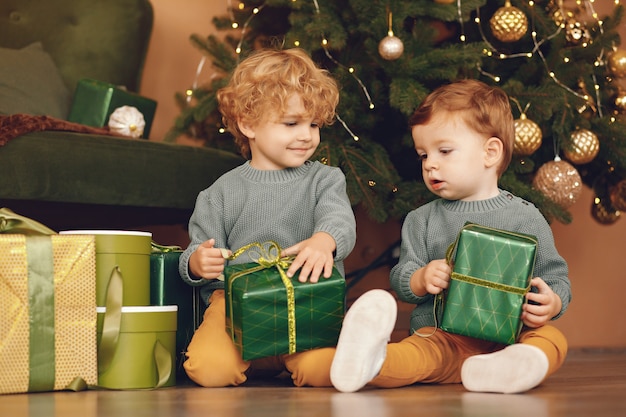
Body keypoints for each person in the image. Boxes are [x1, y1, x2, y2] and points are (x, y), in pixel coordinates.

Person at [330, 79, 571, 394]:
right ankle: (368, 360)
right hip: (443, 337)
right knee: (416, 353)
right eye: (423, 155)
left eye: (444, 150)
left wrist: (550, 303)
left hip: (512, 337)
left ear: (491, 152)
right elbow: (403, 276)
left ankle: (511, 366)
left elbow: (555, 278)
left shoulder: (525, 217)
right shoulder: (422, 220)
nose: (430, 164)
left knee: (552, 340)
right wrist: (420, 278)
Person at [179, 48, 357, 388]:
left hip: (305, 299)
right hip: (234, 307)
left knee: (326, 372)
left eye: (314, 124)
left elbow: (339, 220)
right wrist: (197, 263)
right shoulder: (220, 193)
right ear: (248, 125)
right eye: (291, 123)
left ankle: (289, 356)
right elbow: (197, 250)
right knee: (209, 371)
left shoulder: (325, 180)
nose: (306, 135)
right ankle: (260, 359)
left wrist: (325, 241)